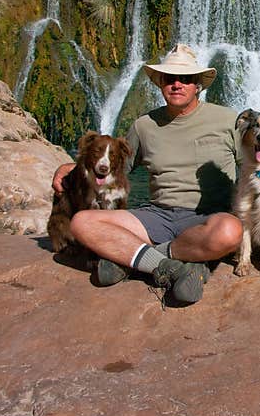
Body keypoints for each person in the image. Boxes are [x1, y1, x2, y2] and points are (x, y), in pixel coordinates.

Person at [52, 44, 243, 304]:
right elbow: (116, 167)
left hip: (207, 217)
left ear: (197, 85)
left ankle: (139, 258)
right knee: (83, 223)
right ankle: (176, 266)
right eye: (169, 79)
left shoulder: (228, 120)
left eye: (185, 79)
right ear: (160, 83)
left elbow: (256, 166)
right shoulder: (144, 126)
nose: (177, 84)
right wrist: (70, 169)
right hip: (157, 215)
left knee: (230, 231)